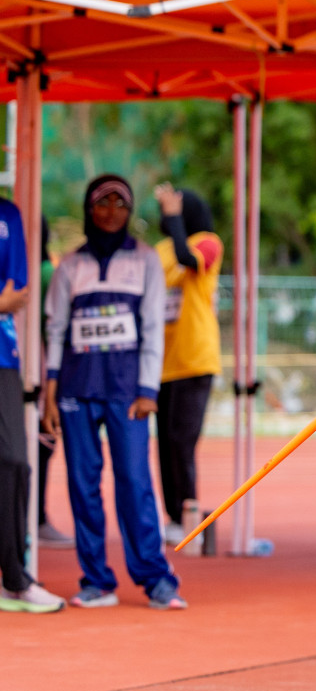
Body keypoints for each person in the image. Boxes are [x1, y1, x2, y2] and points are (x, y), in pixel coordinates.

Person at [43, 175, 185, 610]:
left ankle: (156, 580)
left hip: (128, 393)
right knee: (83, 486)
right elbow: (57, 329)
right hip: (76, 390)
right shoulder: (70, 265)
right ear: (89, 209)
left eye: (119, 204)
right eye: (101, 204)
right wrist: (50, 390)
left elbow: (151, 331)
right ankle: (96, 581)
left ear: (129, 211)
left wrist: (148, 390)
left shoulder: (145, 262)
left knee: (135, 483)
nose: (110, 212)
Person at [0, 194, 65, 613]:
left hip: (3, 356)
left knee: (15, 462)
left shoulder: (9, 215)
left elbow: (16, 294)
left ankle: (15, 577)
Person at [152, 185, 222, 552]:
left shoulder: (208, 243)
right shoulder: (158, 251)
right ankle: (173, 519)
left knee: (183, 441)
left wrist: (175, 215)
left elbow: (187, 258)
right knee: (164, 444)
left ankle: (189, 516)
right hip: (162, 363)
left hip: (195, 359)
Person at [33, 216, 72, 550]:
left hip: (41, 369)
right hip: (38, 370)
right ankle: (36, 519)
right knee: (40, 447)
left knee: (40, 446)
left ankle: (36, 518)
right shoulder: (46, 272)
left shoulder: (46, 273)